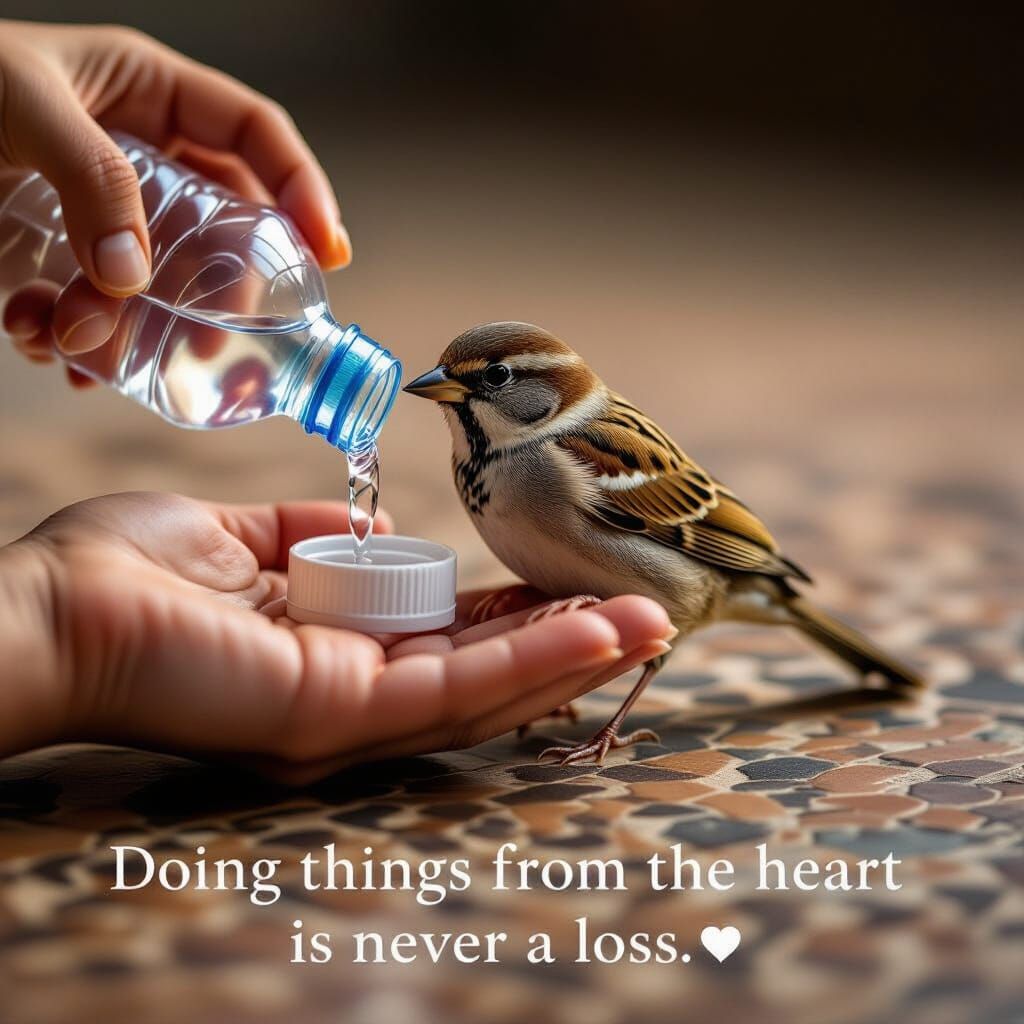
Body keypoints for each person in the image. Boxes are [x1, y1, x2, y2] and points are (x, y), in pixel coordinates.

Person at [0, 22, 675, 779]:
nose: (441, 391)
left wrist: (69, 631)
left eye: (488, 384)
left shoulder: (580, 456)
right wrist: (60, 632)